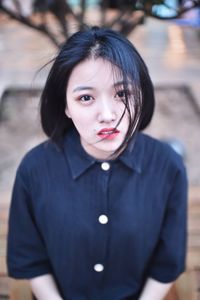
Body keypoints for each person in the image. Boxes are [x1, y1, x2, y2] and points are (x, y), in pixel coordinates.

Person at [7, 26, 187, 300]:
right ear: (65, 105)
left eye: (123, 94)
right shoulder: (35, 169)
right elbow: (30, 258)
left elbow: (168, 261)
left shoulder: (167, 166)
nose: (106, 115)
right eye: (86, 98)